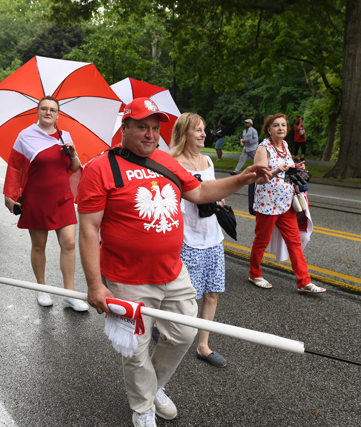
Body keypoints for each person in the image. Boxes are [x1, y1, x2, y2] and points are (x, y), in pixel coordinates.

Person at [78, 97, 271, 426]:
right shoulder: (101, 168)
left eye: (155, 128)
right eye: (142, 127)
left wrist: (242, 179)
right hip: (127, 279)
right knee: (136, 350)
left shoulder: (167, 161)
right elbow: (88, 228)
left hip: (173, 271)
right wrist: (95, 285)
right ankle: (143, 408)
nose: (150, 134)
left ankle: (153, 388)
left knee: (183, 334)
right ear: (124, 128)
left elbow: (199, 192)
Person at [4, 96, 89, 312]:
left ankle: (68, 295)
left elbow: (73, 168)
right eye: (44, 109)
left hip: (63, 198)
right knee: (39, 245)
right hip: (37, 199)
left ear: (58, 114)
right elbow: (15, 167)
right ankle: (41, 288)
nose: (48, 112)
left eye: (52, 109)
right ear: (38, 112)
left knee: (69, 243)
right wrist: (10, 195)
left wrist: (73, 154)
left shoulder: (65, 137)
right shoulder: (25, 136)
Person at [170, 112, 227, 368]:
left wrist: (219, 197)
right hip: (187, 237)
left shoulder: (207, 160)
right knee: (186, 296)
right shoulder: (171, 162)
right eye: (198, 130)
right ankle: (173, 336)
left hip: (212, 235)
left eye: (204, 130)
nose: (204, 134)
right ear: (184, 134)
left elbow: (212, 189)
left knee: (212, 292)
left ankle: (203, 346)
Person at [249, 113, 326, 294]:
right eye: (276, 125)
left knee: (294, 242)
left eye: (283, 125)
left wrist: (296, 168)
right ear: (268, 129)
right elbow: (258, 179)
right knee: (261, 241)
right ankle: (254, 274)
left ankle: (304, 282)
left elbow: (287, 171)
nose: (281, 128)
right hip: (267, 204)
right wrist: (275, 170)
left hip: (285, 203)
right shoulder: (263, 148)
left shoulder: (284, 146)